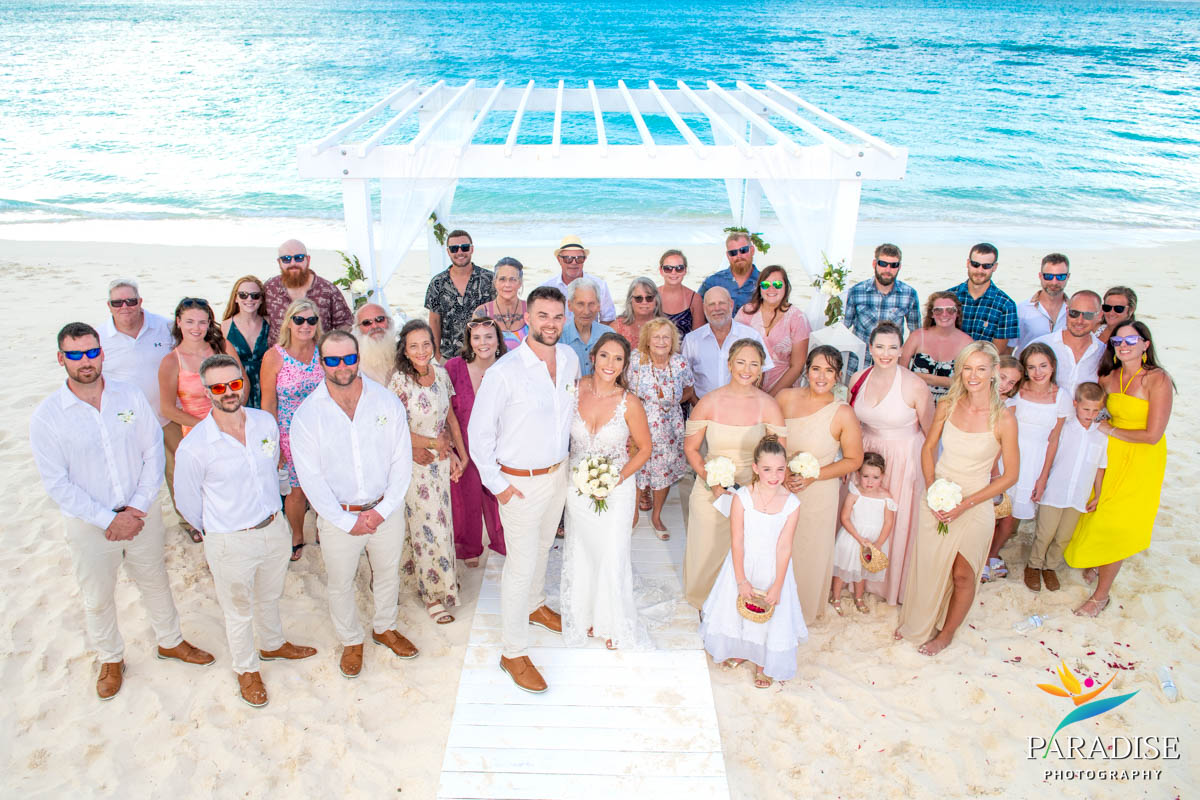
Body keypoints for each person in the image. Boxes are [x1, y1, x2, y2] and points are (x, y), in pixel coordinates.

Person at [30, 323, 214, 700]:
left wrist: (137, 507)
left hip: (141, 512)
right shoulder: (48, 416)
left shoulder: (128, 396)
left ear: (102, 353)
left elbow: (152, 454)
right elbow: (57, 484)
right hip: (89, 523)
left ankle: (170, 641)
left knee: (155, 581)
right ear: (61, 358)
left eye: (92, 351)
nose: (86, 361)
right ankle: (111, 658)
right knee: (97, 595)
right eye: (76, 354)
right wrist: (109, 519)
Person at [173, 354, 316, 707]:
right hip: (229, 540)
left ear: (243, 383)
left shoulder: (264, 423)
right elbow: (188, 503)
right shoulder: (195, 447)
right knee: (237, 610)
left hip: (272, 528)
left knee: (270, 595)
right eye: (218, 387)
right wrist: (216, 532)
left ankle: (272, 644)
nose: (228, 392)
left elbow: (277, 469)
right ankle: (246, 669)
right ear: (207, 392)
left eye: (234, 383)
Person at [468, 286, 581, 693]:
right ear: (527, 319)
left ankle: (535, 606)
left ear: (564, 318)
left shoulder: (568, 359)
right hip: (517, 483)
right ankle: (512, 652)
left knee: (543, 548)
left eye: (557, 316)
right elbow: (478, 435)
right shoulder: (505, 372)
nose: (550, 323)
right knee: (519, 565)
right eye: (542, 316)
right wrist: (499, 486)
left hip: (557, 475)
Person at [290, 331, 420, 679]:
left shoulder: (385, 402)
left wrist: (381, 510)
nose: (342, 365)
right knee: (341, 582)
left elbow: (401, 461)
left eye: (349, 358)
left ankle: (384, 627)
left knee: (387, 573)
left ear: (358, 358)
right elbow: (311, 480)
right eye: (333, 360)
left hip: (384, 511)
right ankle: (351, 640)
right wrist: (347, 521)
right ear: (321, 364)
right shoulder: (306, 416)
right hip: (338, 518)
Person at [895, 342, 1019, 656]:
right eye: (967, 367)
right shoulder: (948, 405)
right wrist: (933, 490)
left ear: (993, 373)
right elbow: (928, 448)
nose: (973, 375)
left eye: (981, 368)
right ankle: (920, 621)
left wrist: (965, 503)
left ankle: (947, 633)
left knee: (963, 574)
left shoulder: (1003, 419)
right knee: (930, 565)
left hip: (975, 503)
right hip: (938, 496)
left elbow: (1010, 476)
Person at [1065, 320, 1173, 617]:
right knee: (1094, 509)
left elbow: (1153, 435)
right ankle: (1096, 558)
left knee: (1118, 521)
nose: (1124, 346)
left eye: (1131, 340)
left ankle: (1101, 596)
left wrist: (1111, 431)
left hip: (1141, 457)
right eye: (1118, 342)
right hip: (1108, 453)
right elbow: (1092, 412)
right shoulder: (1108, 377)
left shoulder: (1157, 379)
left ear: (1145, 345)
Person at [562, 333, 652, 650]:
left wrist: (616, 479)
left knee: (613, 551)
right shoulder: (574, 391)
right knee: (584, 549)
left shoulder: (630, 403)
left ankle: (613, 620)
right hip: (577, 488)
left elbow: (644, 449)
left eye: (618, 359)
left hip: (618, 488)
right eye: (604, 356)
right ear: (593, 356)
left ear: (625, 364)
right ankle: (585, 613)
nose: (610, 364)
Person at [683, 339, 786, 608]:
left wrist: (758, 489)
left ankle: (735, 605)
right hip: (710, 486)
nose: (746, 369)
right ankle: (703, 604)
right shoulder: (709, 402)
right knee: (706, 548)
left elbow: (777, 455)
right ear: (729, 364)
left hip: (752, 490)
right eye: (741, 362)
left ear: (761, 369)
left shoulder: (769, 405)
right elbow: (692, 449)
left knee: (745, 552)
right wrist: (712, 480)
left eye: (754, 364)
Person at [699, 435, 807, 688]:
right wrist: (741, 579)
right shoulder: (742, 497)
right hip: (742, 564)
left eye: (780, 469)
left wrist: (778, 584)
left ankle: (763, 662)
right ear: (756, 469)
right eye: (768, 469)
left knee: (768, 612)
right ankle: (741, 650)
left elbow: (784, 546)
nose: (774, 475)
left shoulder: (792, 504)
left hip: (773, 567)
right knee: (738, 609)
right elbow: (737, 540)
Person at [776, 346, 864, 623]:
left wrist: (815, 475)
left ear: (838, 376)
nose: (821, 376)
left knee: (808, 550)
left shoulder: (842, 413)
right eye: (816, 368)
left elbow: (853, 460)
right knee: (775, 546)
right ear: (807, 370)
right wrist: (780, 471)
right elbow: (766, 437)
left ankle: (801, 608)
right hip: (779, 487)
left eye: (829, 370)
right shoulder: (785, 397)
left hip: (819, 492)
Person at [850, 321, 934, 605]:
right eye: (880, 347)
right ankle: (857, 576)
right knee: (863, 516)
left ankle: (889, 584)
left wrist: (926, 474)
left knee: (894, 521)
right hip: (866, 453)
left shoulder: (914, 385)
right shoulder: (858, 378)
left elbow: (930, 432)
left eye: (893, 347)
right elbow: (853, 421)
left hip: (903, 457)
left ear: (902, 350)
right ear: (870, 348)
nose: (886, 353)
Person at [387, 320, 466, 623]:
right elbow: (392, 431)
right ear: (405, 351)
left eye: (426, 344)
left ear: (434, 345)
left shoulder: (442, 375)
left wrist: (459, 454)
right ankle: (432, 595)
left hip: (440, 462)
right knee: (426, 525)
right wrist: (431, 443)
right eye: (414, 346)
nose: (421, 351)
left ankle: (438, 581)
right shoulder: (399, 382)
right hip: (414, 464)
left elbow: (450, 418)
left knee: (440, 523)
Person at [97, 278, 180, 533]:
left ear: (140, 301)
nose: (125, 307)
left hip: (168, 415)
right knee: (132, 476)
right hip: (127, 423)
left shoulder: (164, 327)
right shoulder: (100, 337)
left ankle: (188, 519)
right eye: (117, 302)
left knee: (178, 470)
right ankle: (136, 523)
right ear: (109, 306)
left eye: (130, 301)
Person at [158, 297, 244, 541]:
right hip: (196, 431)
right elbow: (167, 408)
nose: (197, 328)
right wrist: (208, 426)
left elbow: (242, 382)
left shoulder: (222, 347)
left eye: (203, 322)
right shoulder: (171, 361)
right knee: (206, 487)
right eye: (190, 322)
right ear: (178, 322)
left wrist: (233, 414)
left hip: (233, 424)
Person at [989, 343, 1071, 585]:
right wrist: (994, 467)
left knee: (1011, 516)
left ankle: (993, 553)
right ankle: (981, 555)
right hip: (1008, 456)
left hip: (1034, 463)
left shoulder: (1061, 397)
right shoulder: (1017, 391)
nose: (1037, 372)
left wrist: (1043, 477)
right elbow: (1001, 431)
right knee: (993, 510)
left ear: (1053, 366)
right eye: (1031, 367)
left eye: (1043, 366)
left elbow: (1054, 440)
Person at [1026, 382, 1108, 593]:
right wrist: (1041, 482)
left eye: (1095, 410)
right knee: (1045, 533)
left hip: (1077, 496)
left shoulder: (1101, 435)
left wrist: (1098, 494)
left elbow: (1100, 467)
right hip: (1055, 491)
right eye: (1086, 409)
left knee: (1063, 536)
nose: (1090, 414)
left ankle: (1050, 567)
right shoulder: (1065, 429)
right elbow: (1049, 455)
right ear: (1075, 405)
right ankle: (1034, 565)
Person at [261, 299, 324, 560]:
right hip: (289, 432)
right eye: (299, 319)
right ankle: (297, 535)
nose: (305, 325)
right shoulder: (275, 356)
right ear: (289, 322)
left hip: (322, 430)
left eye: (311, 320)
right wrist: (272, 443)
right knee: (296, 490)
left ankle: (324, 530)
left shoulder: (324, 351)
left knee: (325, 484)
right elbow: (268, 403)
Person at [445, 318, 509, 566]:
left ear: (498, 340)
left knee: (498, 497)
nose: (483, 343)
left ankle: (502, 543)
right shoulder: (453, 367)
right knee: (465, 497)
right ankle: (469, 546)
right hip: (464, 445)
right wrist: (452, 448)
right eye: (477, 337)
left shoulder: (508, 367)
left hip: (499, 446)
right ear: (469, 342)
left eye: (489, 336)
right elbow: (444, 410)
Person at [627, 319, 696, 538]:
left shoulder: (680, 363)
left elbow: (688, 389)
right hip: (640, 423)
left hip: (670, 427)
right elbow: (624, 390)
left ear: (673, 340)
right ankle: (633, 516)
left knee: (663, 472)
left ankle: (657, 516)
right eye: (656, 336)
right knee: (637, 469)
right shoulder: (635, 361)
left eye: (666, 337)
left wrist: (671, 402)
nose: (661, 341)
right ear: (647, 339)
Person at [830, 453, 897, 615]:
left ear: (882, 476)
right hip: (852, 537)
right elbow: (844, 518)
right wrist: (860, 539)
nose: (869, 481)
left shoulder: (886, 497)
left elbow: (888, 522)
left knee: (862, 571)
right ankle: (836, 596)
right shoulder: (855, 493)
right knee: (842, 570)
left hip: (873, 541)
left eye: (875, 477)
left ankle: (859, 597)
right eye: (865, 476)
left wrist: (878, 544)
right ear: (858, 475)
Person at [681, 287, 773, 398]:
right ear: (704, 308)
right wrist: (698, 406)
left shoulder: (751, 336)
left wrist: (748, 401)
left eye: (721, 303)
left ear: (731, 304)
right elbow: (685, 379)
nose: (717, 308)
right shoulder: (692, 340)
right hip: (703, 409)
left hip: (741, 406)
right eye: (711, 304)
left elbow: (761, 373)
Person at [842, 243, 921, 372]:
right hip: (858, 364)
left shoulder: (909, 294)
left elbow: (916, 333)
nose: (888, 269)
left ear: (899, 267)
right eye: (883, 264)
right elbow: (843, 329)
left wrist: (903, 359)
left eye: (893, 265)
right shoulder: (856, 292)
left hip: (891, 366)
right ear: (874, 264)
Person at [734, 265, 810, 394]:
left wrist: (772, 396)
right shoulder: (746, 312)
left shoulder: (797, 318)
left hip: (784, 388)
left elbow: (797, 366)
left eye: (777, 284)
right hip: (748, 383)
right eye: (765, 284)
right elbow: (735, 353)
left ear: (786, 287)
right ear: (759, 288)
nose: (771, 288)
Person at [264, 239, 353, 343]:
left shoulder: (328, 290)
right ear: (279, 262)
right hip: (278, 357)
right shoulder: (270, 288)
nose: (293, 263)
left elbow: (346, 325)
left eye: (299, 258)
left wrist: (334, 348)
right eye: (286, 259)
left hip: (318, 356)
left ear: (308, 259)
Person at [425, 229, 496, 360]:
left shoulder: (489, 279)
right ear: (448, 252)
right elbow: (434, 320)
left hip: (483, 354)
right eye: (454, 249)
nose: (460, 252)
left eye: (464, 247)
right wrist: (437, 354)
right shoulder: (437, 283)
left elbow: (498, 313)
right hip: (449, 356)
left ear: (472, 249)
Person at [1026, 290, 1105, 394]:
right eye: (1074, 313)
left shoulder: (1103, 353)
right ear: (1067, 311)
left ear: (1100, 316)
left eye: (1088, 315)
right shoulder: (1040, 345)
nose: (1079, 321)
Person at [900, 291, 973, 403]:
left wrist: (918, 376)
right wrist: (947, 381)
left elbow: (967, 383)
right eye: (938, 310)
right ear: (932, 314)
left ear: (957, 313)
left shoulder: (968, 344)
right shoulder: (917, 337)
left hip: (951, 404)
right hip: (913, 400)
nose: (944, 314)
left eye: (950, 310)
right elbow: (900, 373)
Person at [949, 243, 1019, 354]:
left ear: (994, 267)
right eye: (975, 264)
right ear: (968, 263)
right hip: (948, 364)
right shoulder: (949, 297)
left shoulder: (1006, 305)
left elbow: (999, 352)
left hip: (983, 367)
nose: (980, 270)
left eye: (986, 266)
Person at [539, 235, 616, 322]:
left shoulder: (600, 286)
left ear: (585, 259)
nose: (574, 263)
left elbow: (608, 319)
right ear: (559, 260)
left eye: (579, 258)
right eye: (568, 259)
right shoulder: (545, 288)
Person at [221, 276, 270, 408]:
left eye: (255, 295)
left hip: (268, 386)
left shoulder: (270, 323)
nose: (249, 299)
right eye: (243, 295)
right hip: (239, 387)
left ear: (261, 300)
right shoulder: (225, 327)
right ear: (236, 298)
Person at [1014, 253, 1070, 353]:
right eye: (1048, 276)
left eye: (1060, 277)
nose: (1054, 282)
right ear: (1040, 276)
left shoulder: (1075, 312)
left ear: (1068, 277)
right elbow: (1010, 347)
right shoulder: (1021, 310)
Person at [560, 277, 615, 377]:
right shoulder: (560, 338)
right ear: (569, 305)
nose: (586, 311)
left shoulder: (609, 335)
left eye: (591, 304)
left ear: (599, 306)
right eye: (580, 304)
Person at [699, 231, 760, 315]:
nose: (739, 256)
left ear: (752, 251)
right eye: (733, 253)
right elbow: (697, 309)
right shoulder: (713, 282)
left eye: (743, 250)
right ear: (728, 256)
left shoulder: (764, 281)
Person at [473, 257, 527, 349]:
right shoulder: (482, 312)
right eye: (502, 279)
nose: (507, 285)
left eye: (513, 279)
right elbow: (476, 349)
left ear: (520, 282)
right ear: (495, 282)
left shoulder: (531, 309)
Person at [657, 249, 705, 337]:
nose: (673, 272)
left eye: (679, 268)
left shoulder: (694, 299)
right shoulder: (651, 297)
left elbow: (699, 338)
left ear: (685, 270)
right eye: (668, 268)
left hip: (686, 350)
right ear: (661, 270)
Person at [610, 277, 662, 348]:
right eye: (638, 298)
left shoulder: (666, 327)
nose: (644, 302)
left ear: (656, 300)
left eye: (649, 298)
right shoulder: (616, 328)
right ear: (630, 300)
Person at [353, 302, 398, 385]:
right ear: (358, 328)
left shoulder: (403, 349)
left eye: (380, 319)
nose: (374, 326)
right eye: (366, 323)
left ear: (389, 321)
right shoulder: (354, 362)